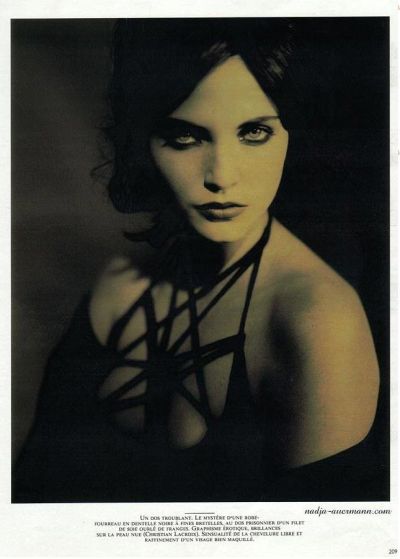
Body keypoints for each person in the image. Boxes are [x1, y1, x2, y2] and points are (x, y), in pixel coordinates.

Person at [13, 18, 383, 502]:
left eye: (254, 132)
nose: (221, 177)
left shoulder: (317, 321)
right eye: (184, 137)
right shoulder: (118, 290)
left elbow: (324, 535)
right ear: (143, 142)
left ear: (291, 134)